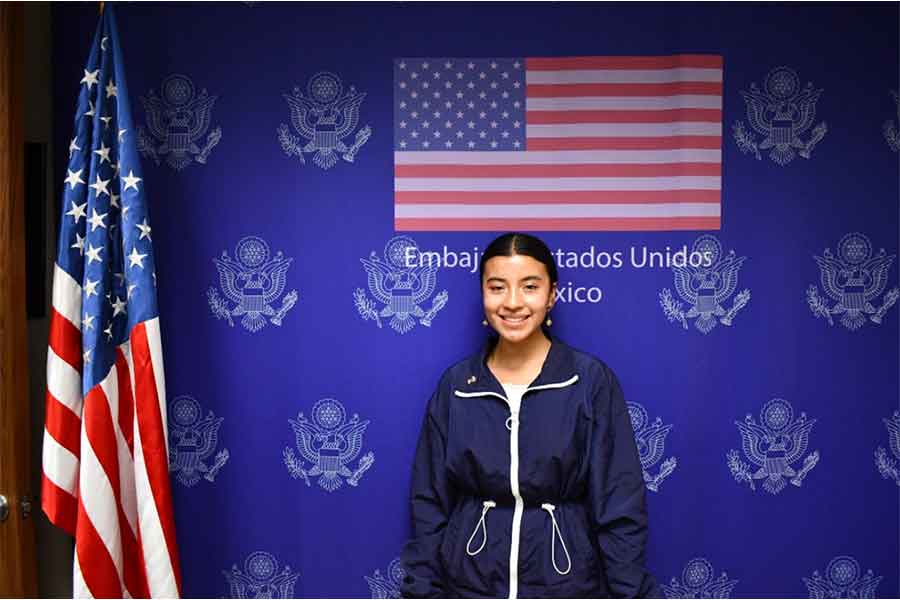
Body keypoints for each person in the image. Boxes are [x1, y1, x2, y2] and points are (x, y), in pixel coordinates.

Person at [400, 232, 660, 599]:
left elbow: (620, 505)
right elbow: (429, 503)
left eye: (529, 287)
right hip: (470, 584)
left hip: (566, 586)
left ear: (552, 295)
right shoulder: (457, 385)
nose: (512, 302)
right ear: (482, 295)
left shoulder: (589, 381)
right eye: (497, 287)